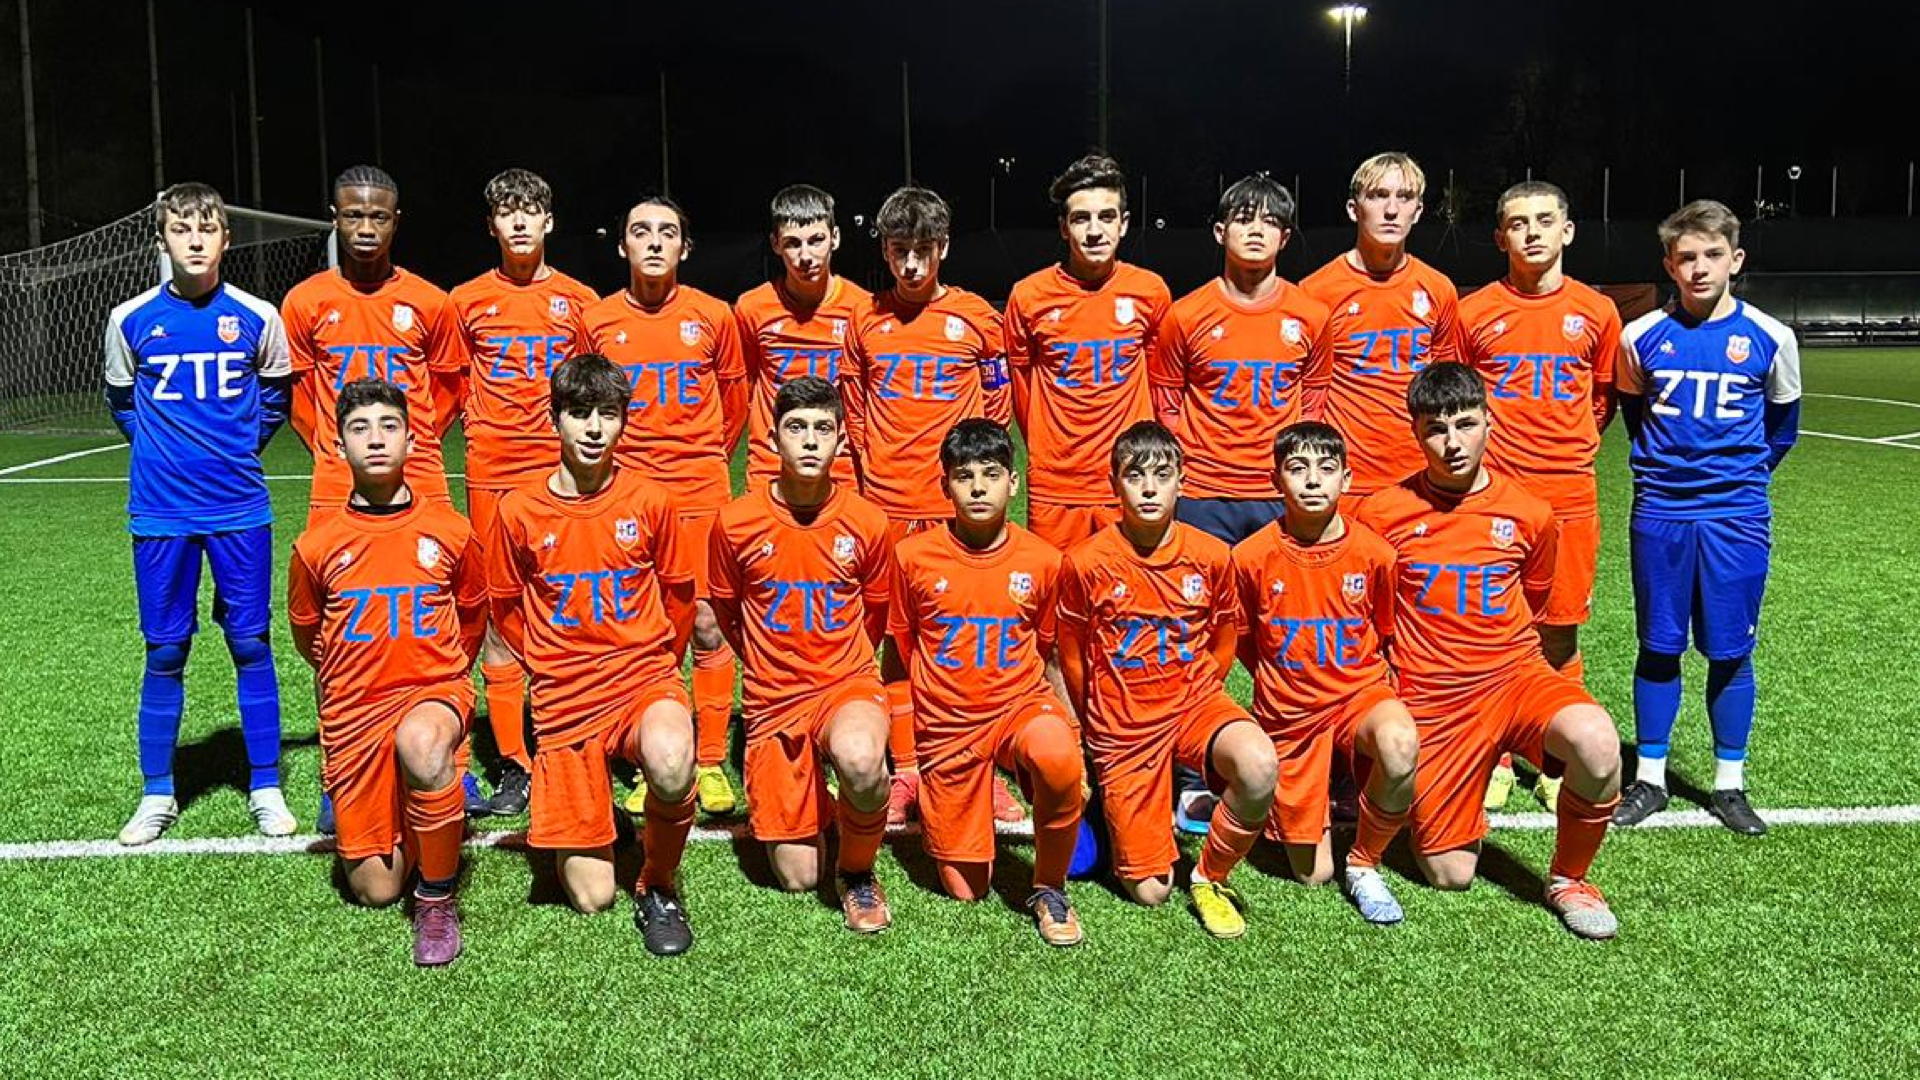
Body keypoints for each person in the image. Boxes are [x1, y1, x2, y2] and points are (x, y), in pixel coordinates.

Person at [1353, 362, 1622, 939]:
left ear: (1488, 423)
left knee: (1598, 742)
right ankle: (1443, 793)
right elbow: (1367, 614)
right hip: (1435, 700)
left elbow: (1536, 599)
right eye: (1435, 429)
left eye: (1465, 424)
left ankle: (1570, 879)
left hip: (1514, 680)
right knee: (1450, 874)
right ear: (1415, 432)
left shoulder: (1530, 513)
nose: (1452, 443)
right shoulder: (1380, 515)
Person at [486, 354, 702, 956]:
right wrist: (549, 664)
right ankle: (598, 811)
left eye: (607, 414)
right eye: (579, 413)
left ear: (624, 421)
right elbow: (505, 608)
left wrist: (659, 663)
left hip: (641, 680)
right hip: (565, 697)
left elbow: (680, 598)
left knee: (671, 760)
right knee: (591, 896)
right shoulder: (518, 510)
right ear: (554, 419)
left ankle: (659, 884)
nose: (593, 428)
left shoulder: (651, 500)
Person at [104, 181, 296, 844]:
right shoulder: (129, 318)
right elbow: (123, 404)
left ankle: (265, 785)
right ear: (163, 239)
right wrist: (166, 455)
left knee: (250, 642)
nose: (194, 241)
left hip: (239, 506)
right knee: (165, 649)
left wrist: (231, 451)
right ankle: (157, 792)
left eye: (206, 229)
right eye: (181, 229)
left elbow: (274, 401)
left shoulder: (258, 316)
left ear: (226, 239)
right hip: (160, 511)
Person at [282, 165, 476, 818]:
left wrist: (412, 444)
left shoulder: (430, 301)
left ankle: (453, 764)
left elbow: (448, 388)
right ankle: (339, 773)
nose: (365, 227)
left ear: (397, 221)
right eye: (353, 215)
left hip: (421, 481)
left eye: (378, 216)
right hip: (337, 486)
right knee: (343, 627)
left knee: (437, 618)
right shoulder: (305, 301)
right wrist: (330, 447)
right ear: (334, 218)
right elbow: (298, 396)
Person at [1612, 199, 1800, 837]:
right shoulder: (1640, 336)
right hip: (1661, 511)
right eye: (1686, 257)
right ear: (1669, 265)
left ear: (1735, 260)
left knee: (1730, 649)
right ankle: (1650, 779)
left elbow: (1782, 428)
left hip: (1735, 516)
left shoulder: (1771, 337)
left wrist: (1737, 481)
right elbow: (1635, 414)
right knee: (1659, 645)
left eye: (1712, 255)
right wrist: (1669, 474)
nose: (1699, 268)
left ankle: (1729, 785)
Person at [287, 378, 487, 966]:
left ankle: (437, 900)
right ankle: (422, 806)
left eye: (388, 426)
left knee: (422, 743)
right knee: (375, 890)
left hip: (431, 692)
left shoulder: (450, 532)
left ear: (411, 440)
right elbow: (310, 637)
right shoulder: (317, 546)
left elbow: (472, 617)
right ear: (339, 446)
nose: (375, 439)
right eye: (360, 428)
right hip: (356, 712)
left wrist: (441, 675)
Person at [1056, 421, 1278, 938]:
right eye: (1135, 476)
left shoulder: (1211, 555)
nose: (1149, 489)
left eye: (1161, 475)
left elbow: (1224, 639)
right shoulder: (1085, 562)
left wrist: (1199, 691)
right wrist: (1095, 725)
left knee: (1259, 764)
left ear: (1182, 480)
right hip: (1123, 722)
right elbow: (1072, 655)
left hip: (1194, 704)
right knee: (1151, 891)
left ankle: (1209, 878)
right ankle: (1107, 805)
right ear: (1114, 484)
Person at [844, 185, 1021, 826]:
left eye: (923, 249)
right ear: (884, 251)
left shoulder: (977, 318)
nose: (912, 264)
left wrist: (972, 479)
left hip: (957, 508)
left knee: (968, 638)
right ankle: (908, 768)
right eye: (900, 251)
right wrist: (879, 473)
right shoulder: (864, 321)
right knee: (898, 641)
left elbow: (997, 406)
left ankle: (979, 765)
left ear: (943, 247)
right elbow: (855, 412)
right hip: (889, 505)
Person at [577, 194, 746, 818]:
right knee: (644, 623)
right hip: (625, 493)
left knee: (705, 621)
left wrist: (698, 459)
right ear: (623, 245)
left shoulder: (714, 315)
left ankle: (709, 758)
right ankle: (651, 752)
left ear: (684, 247)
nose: (653, 241)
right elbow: (588, 405)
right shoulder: (596, 320)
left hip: (699, 491)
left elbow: (735, 403)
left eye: (667, 232)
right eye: (641, 231)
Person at [707, 376, 896, 933]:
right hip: (774, 698)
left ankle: (858, 873)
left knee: (861, 759)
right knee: (798, 877)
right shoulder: (735, 522)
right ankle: (819, 796)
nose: (810, 441)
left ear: (842, 439)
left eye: (822, 428)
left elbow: (876, 615)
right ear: (772, 439)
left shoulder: (868, 522)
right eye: (796, 428)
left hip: (845, 684)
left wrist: (844, 665)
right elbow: (727, 613)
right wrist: (769, 665)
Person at [1458, 179, 1623, 812]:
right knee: (1494, 630)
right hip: (1492, 498)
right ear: (1500, 237)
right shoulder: (1474, 313)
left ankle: (1553, 761)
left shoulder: (1597, 312)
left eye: (1545, 220)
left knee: (1558, 633)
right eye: (1518, 223)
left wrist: (1564, 452)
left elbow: (1602, 401)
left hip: (1567, 497)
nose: (1532, 233)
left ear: (1567, 231)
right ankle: (1497, 756)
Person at [889, 419, 1086, 945]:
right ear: (945, 485)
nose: (978, 488)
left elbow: (1047, 650)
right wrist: (911, 749)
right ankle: (959, 798)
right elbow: (902, 650)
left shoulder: (1044, 561)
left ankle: (1049, 886)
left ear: (1013, 483)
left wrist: (1070, 732)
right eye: (964, 476)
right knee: (965, 888)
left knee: (1058, 756)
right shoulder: (911, 558)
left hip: (1019, 706)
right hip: (948, 726)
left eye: (991, 474)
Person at [448, 167, 599, 816]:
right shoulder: (465, 301)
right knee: (498, 614)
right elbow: (452, 384)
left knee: (571, 605)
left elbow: (592, 388)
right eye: (506, 212)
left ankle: (579, 741)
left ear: (548, 221)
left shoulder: (579, 301)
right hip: (493, 473)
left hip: (560, 473)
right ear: (491, 225)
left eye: (529, 210)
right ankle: (514, 761)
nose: (518, 221)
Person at [1229, 422, 1417, 924]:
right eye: (1298, 468)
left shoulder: (1376, 554)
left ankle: (1365, 862)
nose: (1313, 480)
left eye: (1326, 468)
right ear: (1276, 480)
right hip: (1291, 714)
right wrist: (1283, 682)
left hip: (1358, 697)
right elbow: (1244, 639)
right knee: (1311, 874)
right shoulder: (1249, 558)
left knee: (1399, 742)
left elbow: (1384, 629)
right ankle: (1318, 788)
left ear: (1346, 479)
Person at [727, 185, 872, 808]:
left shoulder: (861, 308)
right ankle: (775, 725)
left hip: (842, 475)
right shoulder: (751, 309)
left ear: (835, 238)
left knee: (839, 601)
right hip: (770, 472)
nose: (806, 254)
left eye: (816, 240)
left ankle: (845, 722)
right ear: (775, 246)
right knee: (774, 604)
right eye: (793, 243)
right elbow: (738, 385)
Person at [1152, 173, 1332, 546]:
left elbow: (1313, 404)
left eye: (1270, 222)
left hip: (1278, 488)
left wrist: (1295, 465)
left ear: (1284, 238)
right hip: (1203, 491)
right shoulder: (1185, 315)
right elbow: (1166, 404)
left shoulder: (1312, 315)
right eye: (1244, 219)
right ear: (1220, 232)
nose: (1256, 231)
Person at [1005, 153, 1171, 550]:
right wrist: (1048, 446)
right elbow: (1021, 388)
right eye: (1081, 219)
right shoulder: (1029, 296)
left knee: (1128, 585)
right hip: (1056, 482)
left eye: (1106, 217)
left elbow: (1161, 381)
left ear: (1124, 224)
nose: (1095, 231)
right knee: (1058, 586)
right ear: (1064, 227)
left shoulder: (1150, 292)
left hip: (1129, 477)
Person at [1301, 152, 1463, 497]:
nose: (1391, 210)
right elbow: (1306, 392)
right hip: (1343, 477)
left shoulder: (1438, 289)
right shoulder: (1316, 292)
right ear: (1353, 209)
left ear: (1417, 211)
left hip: (1420, 474)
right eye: (1377, 196)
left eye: (1404, 197)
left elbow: (1445, 387)